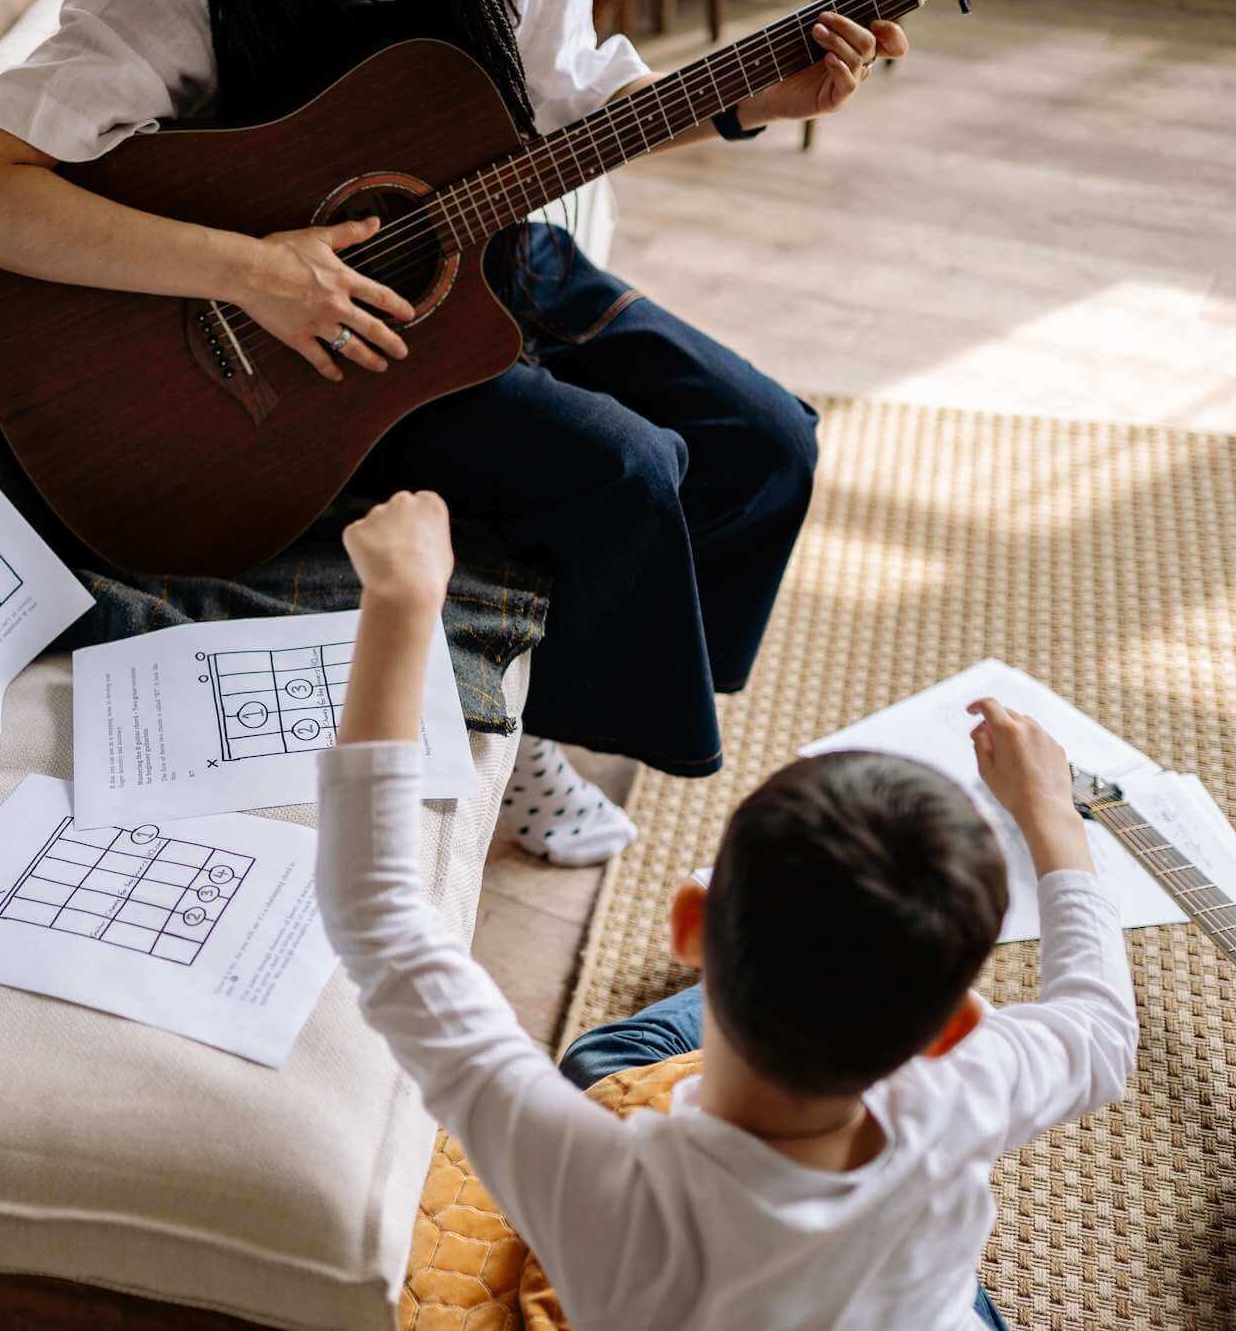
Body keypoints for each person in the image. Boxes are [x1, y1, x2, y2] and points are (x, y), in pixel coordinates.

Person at [0, 0, 911, 868]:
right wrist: (249, 272)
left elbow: (569, 103)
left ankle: (631, 676)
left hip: (498, 257)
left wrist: (750, 103)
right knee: (626, 468)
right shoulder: (182, 5)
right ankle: (543, 738)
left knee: (768, 442)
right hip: (312, 359)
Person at [319, 490, 1138, 1330]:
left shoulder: (595, 1176)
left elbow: (378, 914)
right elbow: (1100, 1030)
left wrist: (402, 598)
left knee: (611, 1056)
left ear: (690, 926)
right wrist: (1051, 816)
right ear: (955, 1029)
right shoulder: (967, 1088)